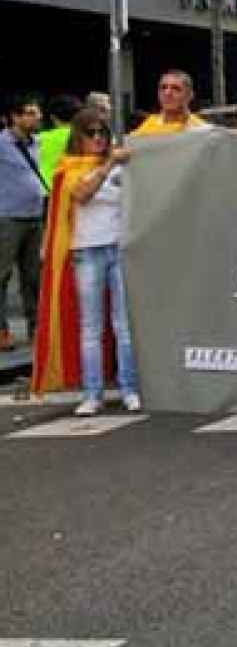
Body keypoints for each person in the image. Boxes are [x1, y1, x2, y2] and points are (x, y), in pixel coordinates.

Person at [52, 109, 140, 415]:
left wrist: (117, 163)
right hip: (86, 250)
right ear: (78, 136)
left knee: (124, 325)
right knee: (91, 326)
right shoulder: (69, 167)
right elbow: (82, 195)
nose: (98, 138)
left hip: (118, 247)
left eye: (102, 132)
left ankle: (129, 387)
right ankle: (93, 392)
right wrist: (109, 165)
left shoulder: (120, 166)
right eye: (91, 133)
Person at [1, 96, 46, 351]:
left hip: (34, 217)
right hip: (7, 217)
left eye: (37, 113)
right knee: (2, 275)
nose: (36, 117)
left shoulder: (37, 142)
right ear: (15, 117)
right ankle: (2, 332)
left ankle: (36, 327)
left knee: (33, 276)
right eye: (30, 113)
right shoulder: (1, 143)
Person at [132, 70, 208, 137]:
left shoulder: (202, 131)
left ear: (190, 95)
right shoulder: (148, 126)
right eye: (163, 87)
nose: (167, 93)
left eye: (176, 88)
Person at [35, 95, 80, 185]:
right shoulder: (86, 138)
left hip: (44, 189)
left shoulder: (39, 139)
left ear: (52, 117)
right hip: (72, 190)